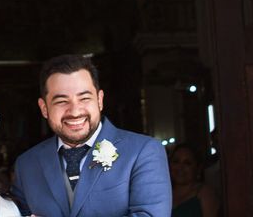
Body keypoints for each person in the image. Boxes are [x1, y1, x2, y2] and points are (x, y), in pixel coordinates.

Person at [11, 54, 172, 216]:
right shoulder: (26, 164)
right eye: (61, 101)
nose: (75, 111)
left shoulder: (144, 151)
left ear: (100, 100)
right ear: (44, 108)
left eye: (84, 98)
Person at [170, 143, 219, 217]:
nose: (180, 167)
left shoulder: (205, 193)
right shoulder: (164, 192)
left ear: (198, 168)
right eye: (176, 161)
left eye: (187, 163)